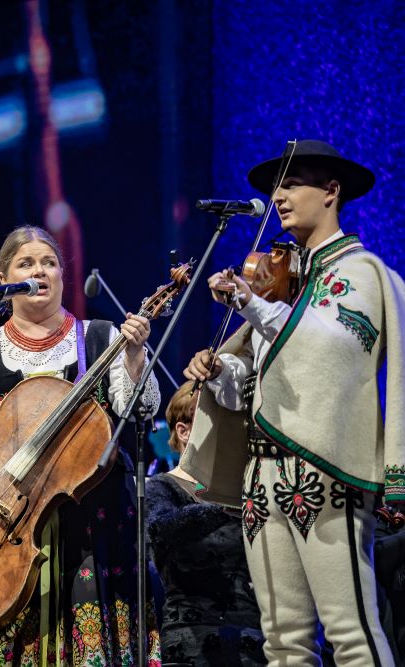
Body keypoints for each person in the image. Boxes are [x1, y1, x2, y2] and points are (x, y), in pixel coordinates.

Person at [181, 140, 405, 666]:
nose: (278, 197)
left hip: (324, 470)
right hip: (262, 475)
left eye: (292, 183)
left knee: (351, 633)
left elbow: (332, 350)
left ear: (331, 191)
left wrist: (251, 305)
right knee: (282, 643)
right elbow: (262, 377)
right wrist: (221, 372)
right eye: (275, 188)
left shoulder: (361, 273)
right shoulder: (278, 278)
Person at [0, 225, 161, 665]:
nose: (41, 271)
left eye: (49, 263)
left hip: (93, 514)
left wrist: (133, 358)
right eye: (27, 263)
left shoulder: (100, 336)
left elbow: (139, 410)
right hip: (9, 519)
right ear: (4, 277)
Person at [145, 381, 265, 666]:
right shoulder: (162, 487)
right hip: (192, 642)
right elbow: (161, 532)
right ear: (183, 432)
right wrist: (220, 505)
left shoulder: (246, 488)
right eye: (215, 421)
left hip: (253, 640)